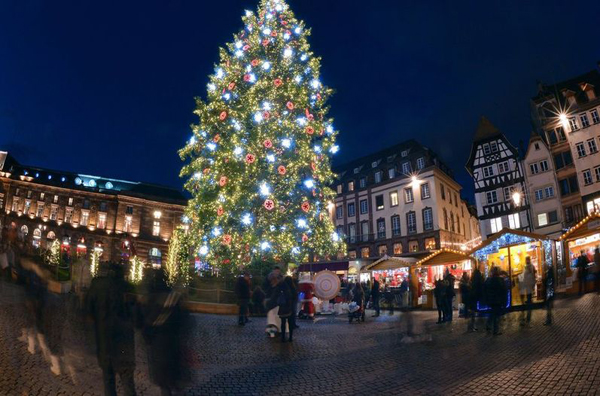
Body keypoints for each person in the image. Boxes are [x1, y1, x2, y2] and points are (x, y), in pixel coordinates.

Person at [88, 262, 137, 396]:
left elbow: (88, 311)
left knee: (108, 379)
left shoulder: (96, 285)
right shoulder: (129, 288)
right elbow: (137, 317)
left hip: (105, 340)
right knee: (127, 380)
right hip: (125, 342)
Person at [138, 269, 187, 396]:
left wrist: (147, 339)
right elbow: (183, 321)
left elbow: (142, 323)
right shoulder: (174, 298)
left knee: (164, 381)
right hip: (173, 343)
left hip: (157, 344)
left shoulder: (150, 299)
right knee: (172, 378)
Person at [485, 266, 507, 336]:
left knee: (493, 313)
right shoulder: (500, 280)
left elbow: (486, 290)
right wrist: (504, 301)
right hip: (498, 300)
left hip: (492, 300)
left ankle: (488, 325)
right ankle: (495, 330)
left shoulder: (489, 280)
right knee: (496, 315)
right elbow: (503, 291)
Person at [275, 276, 294, 342]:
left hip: (283, 307)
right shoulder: (292, 288)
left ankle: (283, 337)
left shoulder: (282, 286)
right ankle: (290, 337)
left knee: (283, 323)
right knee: (290, 322)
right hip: (290, 307)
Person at [520, 257, 536, 326]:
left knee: (528, 303)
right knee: (527, 303)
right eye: (526, 260)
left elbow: (531, 278)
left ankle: (527, 320)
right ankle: (525, 319)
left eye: (527, 260)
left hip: (527, 289)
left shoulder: (529, 267)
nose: (526, 261)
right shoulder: (526, 267)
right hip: (526, 289)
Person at [469, 266, 484, 332]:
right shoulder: (479, 279)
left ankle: (472, 324)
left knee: (473, 309)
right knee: (475, 309)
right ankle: (473, 325)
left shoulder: (472, 279)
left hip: (472, 295)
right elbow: (481, 286)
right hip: (477, 295)